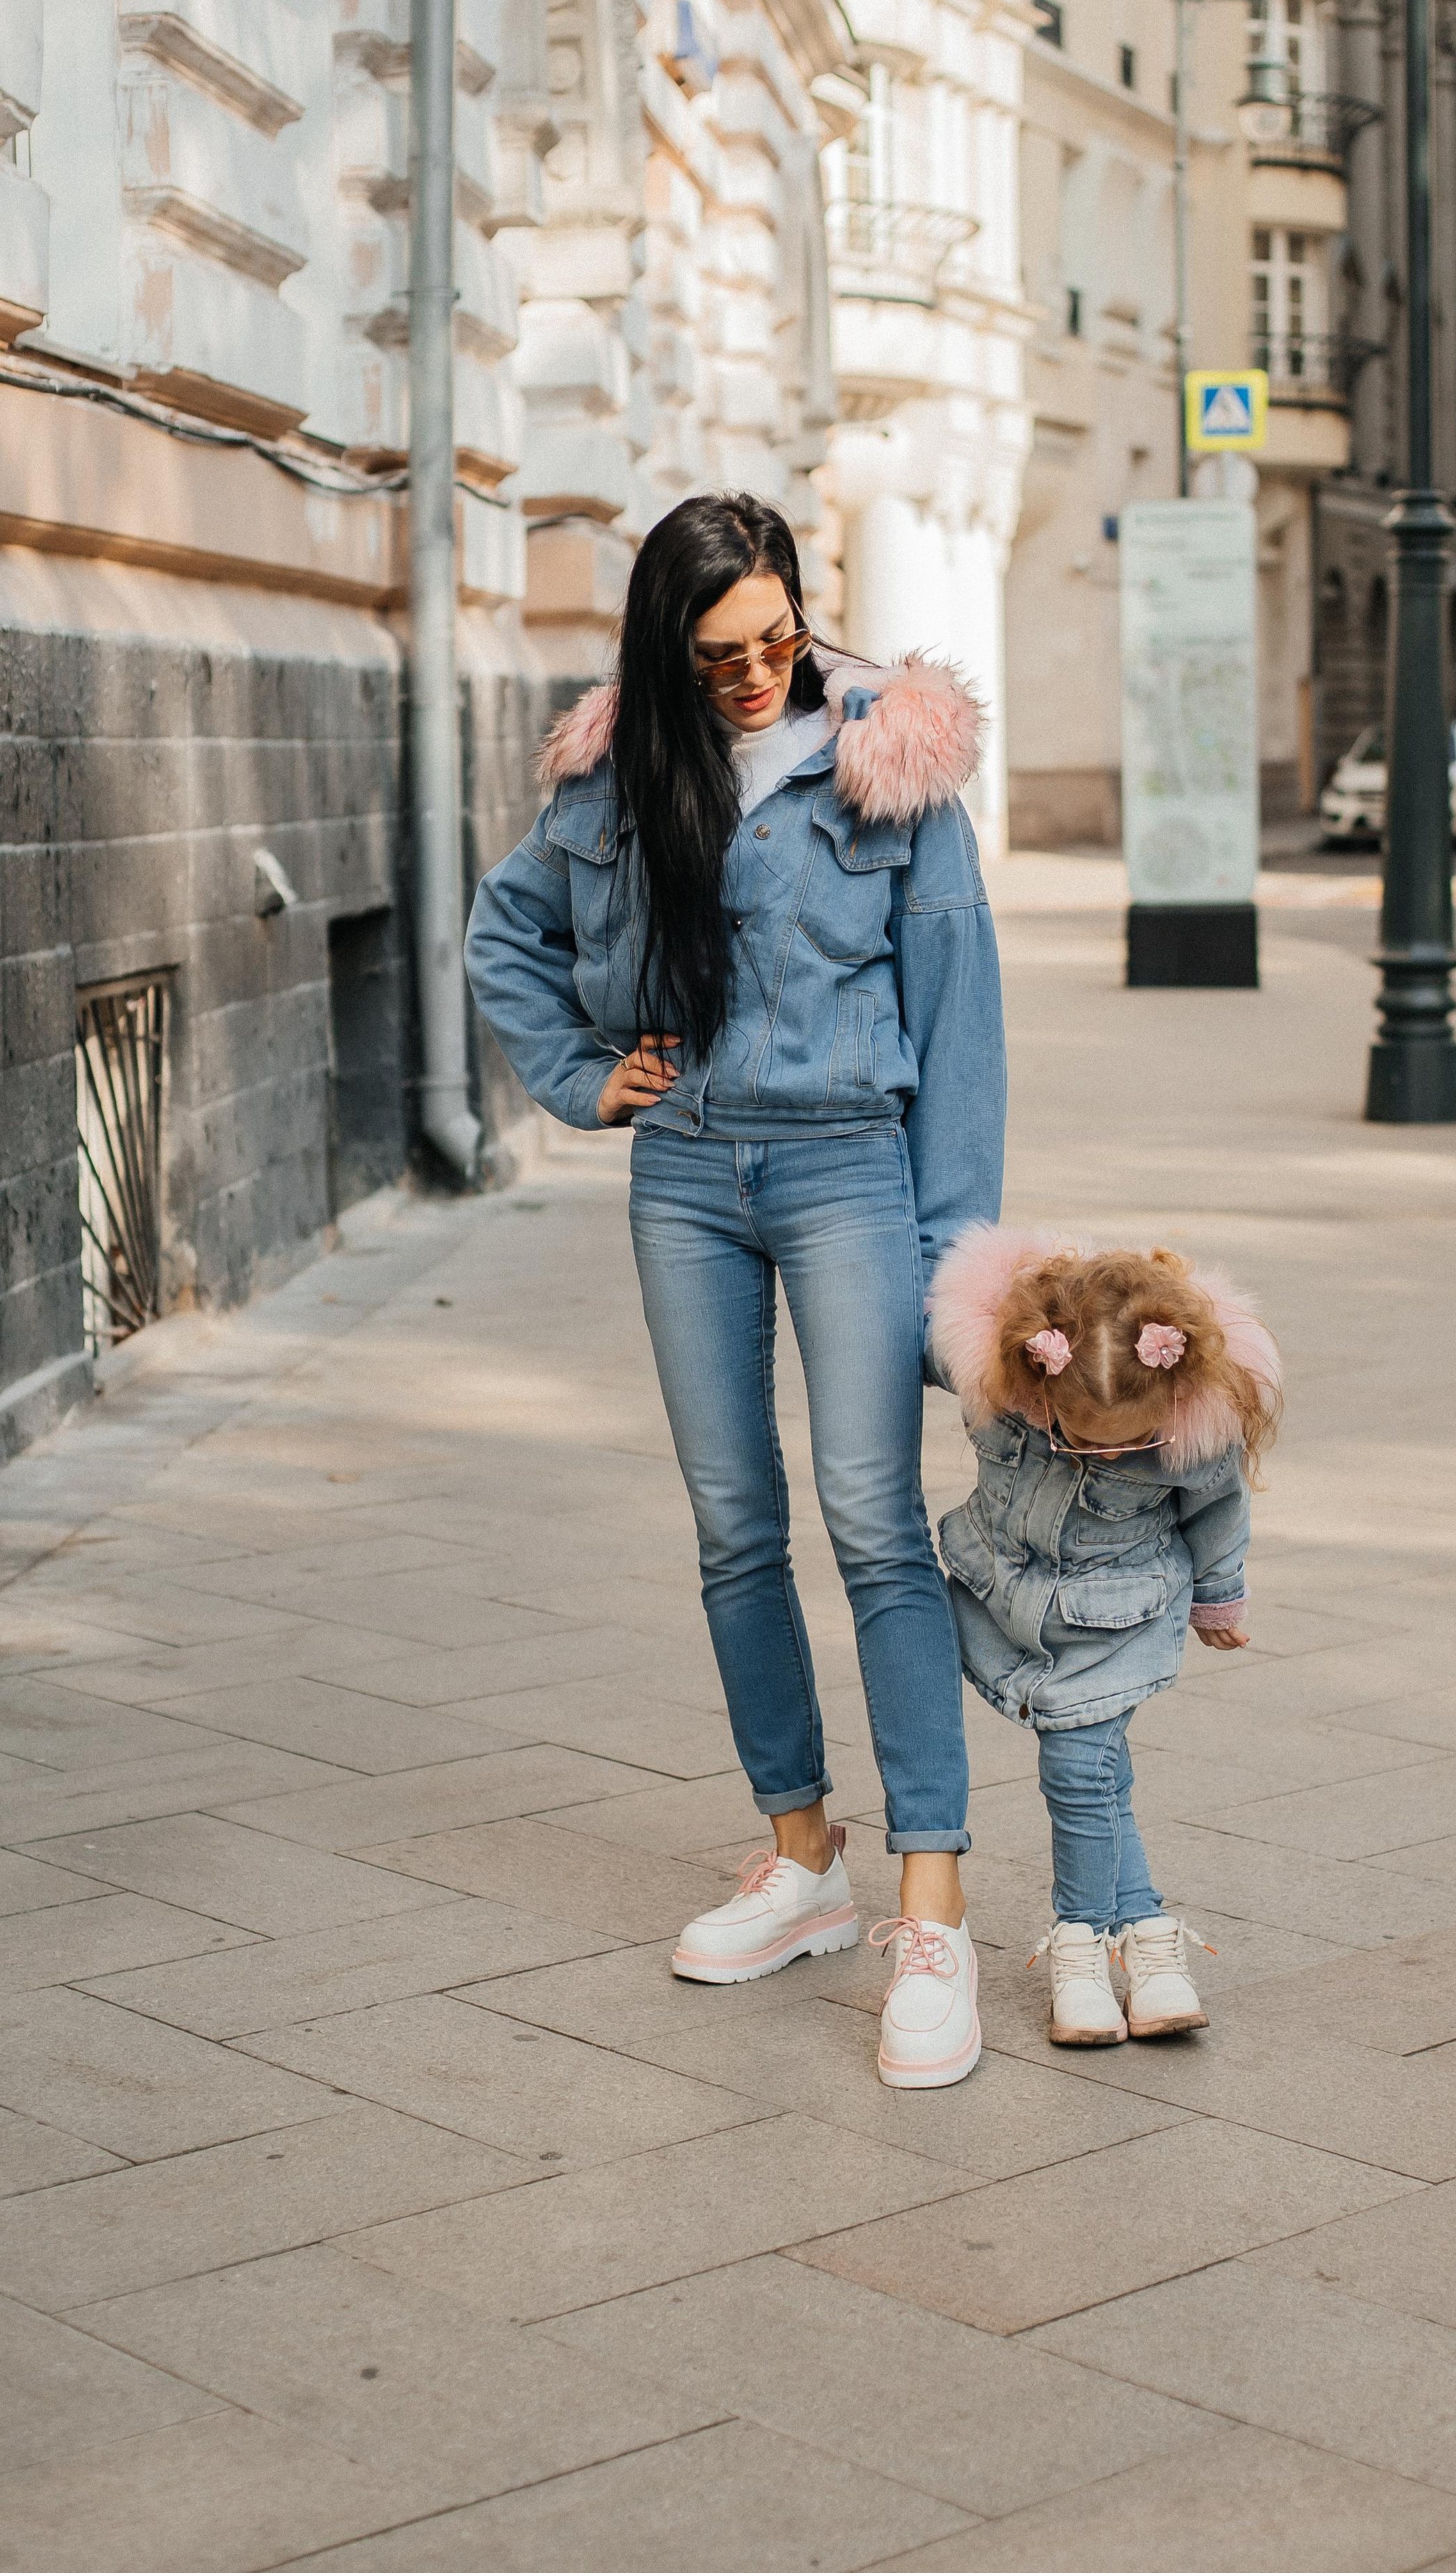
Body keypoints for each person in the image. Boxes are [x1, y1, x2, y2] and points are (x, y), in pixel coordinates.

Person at [465, 493, 1005, 2092]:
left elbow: (959, 1027)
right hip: (686, 1168)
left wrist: (955, 1270)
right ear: (667, 647)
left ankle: (931, 1904)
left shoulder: (886, 757)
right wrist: (579, 1073)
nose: (758, 673)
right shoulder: (619, 767)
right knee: (728, 1515)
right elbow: (507, 926)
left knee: (870, 1511)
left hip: (848, 1161)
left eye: (776, 637)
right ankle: (799, 1857)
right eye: (720, 655)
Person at [926, 1227, 1280, 2048]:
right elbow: (942, 1338)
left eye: (1130, 1442)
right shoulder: (1013, 1374)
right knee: (1102, 1779)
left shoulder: (1194, 1428)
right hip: (1001, 1595)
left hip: (1118, 1619)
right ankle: (1150, 1946)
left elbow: (1220, 1518)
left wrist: (1219, 1604)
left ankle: (1080, 1947)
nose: (1105, 1452)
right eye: (1081, 1437)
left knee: (1077, 1770)